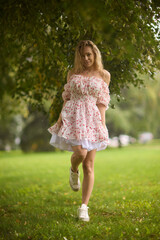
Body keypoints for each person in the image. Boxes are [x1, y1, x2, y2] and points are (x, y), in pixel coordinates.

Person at [48, 40, 111, 222]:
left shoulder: (104, 75)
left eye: (89, 54)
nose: (86, 58)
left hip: (92, 118)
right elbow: (67, 98)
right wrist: (61, 117)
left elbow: (102, 102)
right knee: (81, 155)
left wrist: (102, 125)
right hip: (74, 116)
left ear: (95, 54)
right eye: (82, 55)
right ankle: (73, 169)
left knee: (89, 165)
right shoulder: (72, 73)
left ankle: (84, 208)